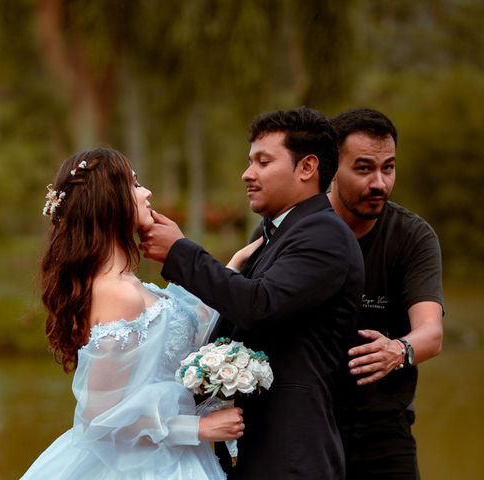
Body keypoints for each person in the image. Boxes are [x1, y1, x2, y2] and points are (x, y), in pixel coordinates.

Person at [139, 106, 365, 479]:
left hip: (291, 452)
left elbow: (259, 305)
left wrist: (182, 252)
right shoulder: (270, 235)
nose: (247, 174)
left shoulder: (325, 236)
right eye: (250, 161)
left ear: (307, 168)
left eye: (263, 162)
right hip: (247, 447)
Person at [21, 147, 245, 480]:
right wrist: (196, 428)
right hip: (142, 466)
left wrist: (239, 260)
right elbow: (100, 415)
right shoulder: (118, 292)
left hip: (170, 457)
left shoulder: (129, 285)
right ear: (110, 202)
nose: (146, 192)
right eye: (134, 184)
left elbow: (190, 324)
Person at [328, 108, 444, 480]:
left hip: (384, 430)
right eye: (364, 169)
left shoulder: (412, 237)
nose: (379, 182)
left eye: (388, 168)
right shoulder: (290, 231)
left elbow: (431, 333)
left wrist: (399, 350)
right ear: (331, 166)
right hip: (308, 427)